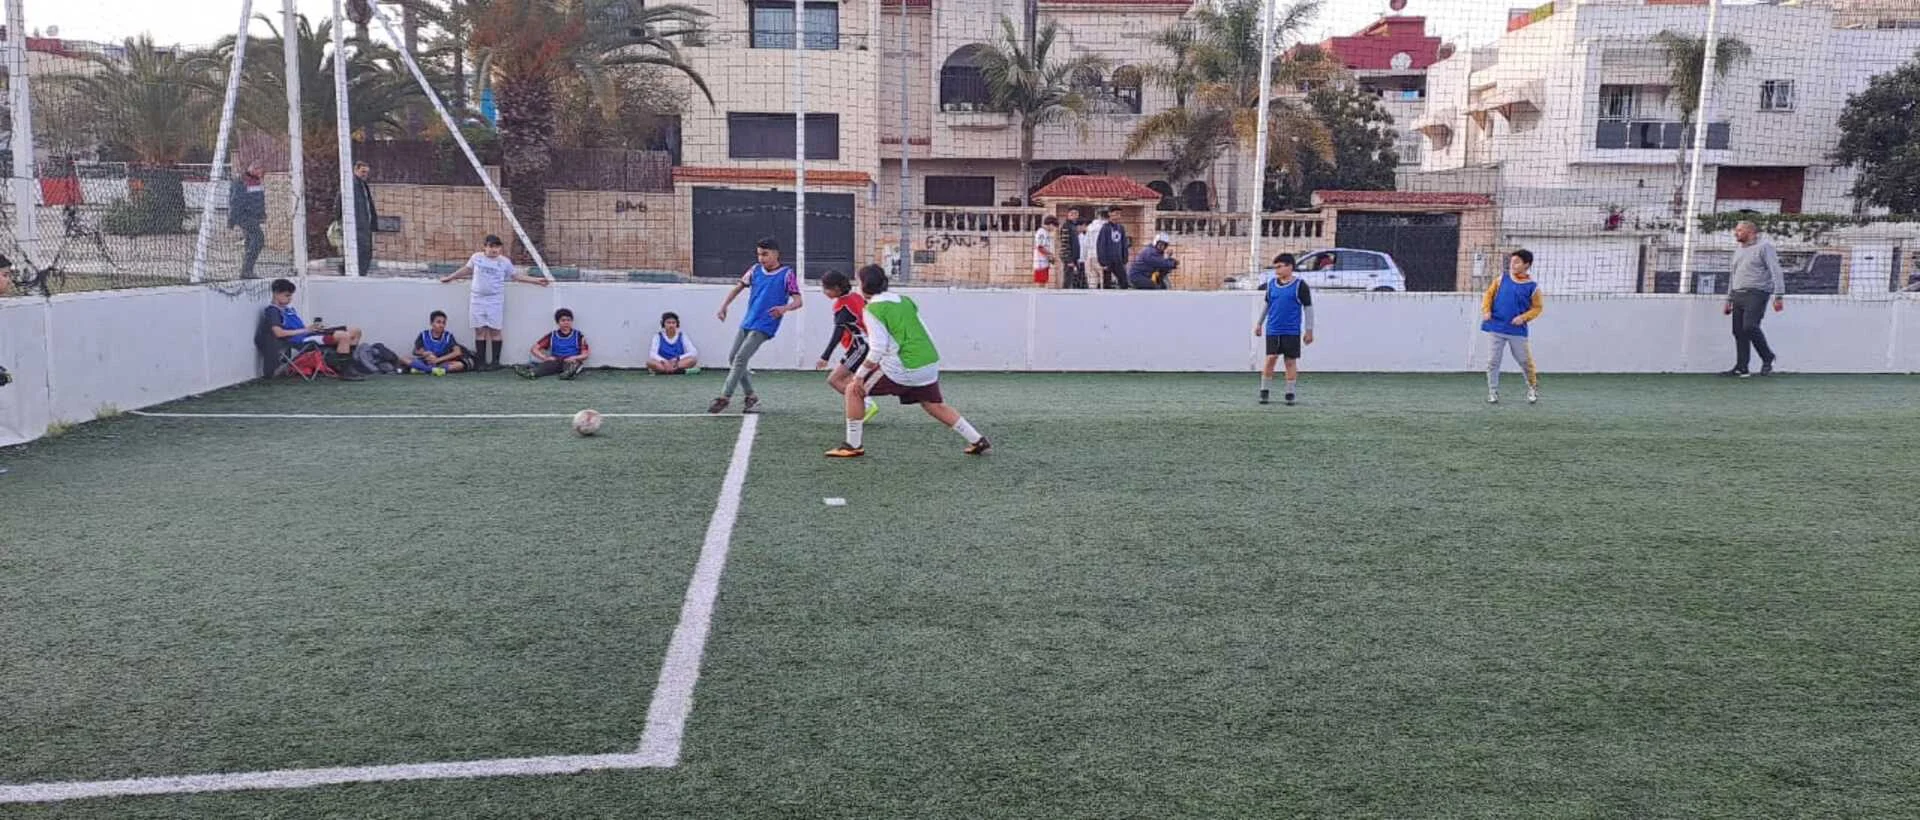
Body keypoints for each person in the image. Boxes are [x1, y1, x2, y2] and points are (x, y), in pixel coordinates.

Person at [827, 265, 990, 458]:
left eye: (859, 281)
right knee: (933, 404)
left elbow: (877, 348)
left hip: (904, 366)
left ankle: (852, 446)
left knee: (853, 390)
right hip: (928, 361)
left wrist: (860, 376)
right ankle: (977, 440)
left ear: (865, 285)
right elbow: (923, 330)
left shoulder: (872, 309)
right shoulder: (904, 300)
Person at [709, 237, 802, 414]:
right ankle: (751, 398)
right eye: (759, 254)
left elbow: (798, 301)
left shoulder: (787, 274)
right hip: (748, 321)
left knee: (741, 358)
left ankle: (724, 397)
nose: (761, 258)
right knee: (733, 358)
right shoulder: (755, 270)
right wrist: (724, 306)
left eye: (765, 254)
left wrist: (784, 308)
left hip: (766, 324)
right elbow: (738, 287)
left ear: (776, 254)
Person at [440, 234, 549, 370]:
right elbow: (467, 269)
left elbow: (515, 276)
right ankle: (481, 363)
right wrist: (450, 277)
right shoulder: (477, 258)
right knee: (480, 330)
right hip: (477, 298)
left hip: (495, 300)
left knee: (495, 330)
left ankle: (495, 363)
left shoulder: (504, 262)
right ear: (485, 247)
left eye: (497, 247)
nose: (494, 250)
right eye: (491, 246)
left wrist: (536, 281)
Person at [264, 277, 365, 380]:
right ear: (276, 293)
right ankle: (345, 372)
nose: (290, 299)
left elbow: (301, 328)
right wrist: (306, 330)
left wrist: (313, 328)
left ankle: (347, 364)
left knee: (356, 331)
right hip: (301, 340)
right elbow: (279, 333)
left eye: (291, 296)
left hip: (308, 334)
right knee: (344, 336)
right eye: (287, 295)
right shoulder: (273, 311)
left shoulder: (288, 309)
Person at [1721, 220, 1787, 378]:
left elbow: (1775, 270)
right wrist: (1729, 299)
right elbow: (1734, 275)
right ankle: (1742, 368)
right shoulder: (1738, 250)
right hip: (1738, 294)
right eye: (1736, 230)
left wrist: (1779, 295)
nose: (1735, 233)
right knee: (1738, 331)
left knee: (1750, 326)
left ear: (1750, 232)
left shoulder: (1765, 248)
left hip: (1756, 293)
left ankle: (1768, 357)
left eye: (1739, 230)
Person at [814, 269, 880, 422]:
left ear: (837, 288)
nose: (824, 292)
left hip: (861, 346)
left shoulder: (842, 307)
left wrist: (825, 356)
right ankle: (861, 406)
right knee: (851, 379)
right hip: (865, 344)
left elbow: (837, 333)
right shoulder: (855, 296)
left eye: (826, 288)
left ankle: (866, 404)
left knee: (834, 380)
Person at [1482, 249, 1544, 404]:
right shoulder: (1501, 279)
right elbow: (1488, 295)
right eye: (1511, 261)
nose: (1512, 264)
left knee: (1524, 360)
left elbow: (1537, 308)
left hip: (1517, 331)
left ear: (1526, 265)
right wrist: (1487, 311)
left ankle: (1532, 387)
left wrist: (1523, 317)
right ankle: (1492, 391)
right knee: (1493, 361)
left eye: (1517, 262)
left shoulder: (1532, 287)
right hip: (1496, 327)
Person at [1254, 253, 1315, 405]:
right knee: (1270, 359)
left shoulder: (1300, 286)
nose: (1277, 271)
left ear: (1290, 267)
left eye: (1280, 267)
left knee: (1290, 362)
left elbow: (1308, 308)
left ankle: (1290, 393)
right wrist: (1259, 323)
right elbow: (1268, 305)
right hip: (1273, 329)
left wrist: (1309, 331)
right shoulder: (1272, 284)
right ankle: (1264, 391)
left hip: (1291, 331)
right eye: (1275, 267)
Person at [517, 308, 590, 380]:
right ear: (558, 322)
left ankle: (569, 373)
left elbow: (585, 354)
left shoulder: (578, 335)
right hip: (556, 361)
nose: (566, 323)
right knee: (544, 366)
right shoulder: (552, 335)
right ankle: (531, 373)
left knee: (573, 366)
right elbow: (534, 349)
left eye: (568, 320)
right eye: (563, 320)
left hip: (571, 361)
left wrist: (574, 358)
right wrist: (545, 358)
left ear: (572, 321)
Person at [228, 162, 267, 279]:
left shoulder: (256, 181)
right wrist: (231, 220)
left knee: (250, 241)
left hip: (254, 216)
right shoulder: (241, 181)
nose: (263, 174)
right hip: (244, 216)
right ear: (254, 169)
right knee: (259, 239)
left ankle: (247, 271)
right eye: (261, 171)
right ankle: (246, 270)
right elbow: (235, 202)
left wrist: (262, 214)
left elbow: (258, 199)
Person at [409, 310, 470, 375]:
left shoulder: (448, 336)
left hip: (442, 362)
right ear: (431, 323)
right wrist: (426, 354)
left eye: (443, 323)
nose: (441, 325)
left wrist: (438, 360)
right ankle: (432, 370)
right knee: (404, 359)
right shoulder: (423, 335)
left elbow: (457, 352)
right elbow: (416, 351)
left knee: (460, 365)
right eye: (438, 322)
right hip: (426, 361)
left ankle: (423, 370)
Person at [352, 160, 379, 276]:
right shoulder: (351, 185)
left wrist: (373, 223)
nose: (365, 175)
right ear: (356, 170)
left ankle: (361, 274)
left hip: (365, 227)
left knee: (366, 253)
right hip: (357, 227)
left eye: (366, 172)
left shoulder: (364, 186)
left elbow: (369, 206)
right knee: (360, 253)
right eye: (363, 171)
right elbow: (338, 203)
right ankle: (357, 275)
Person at [1096, 207, 1132, 289]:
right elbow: (1101, 245)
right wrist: (1102, 262)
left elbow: (1124, 244)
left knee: (1124, 281)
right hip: (1108, 260)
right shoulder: (1105, 228)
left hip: (1118, 260)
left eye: (1119, 214)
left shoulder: (1121, 228)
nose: (1118, 216)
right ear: (1110, 214)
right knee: (1107, 283)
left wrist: (1125, 258)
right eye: (1116, 214)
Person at [1060, 207, 1087, 289]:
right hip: (1069, 257)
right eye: (1072, 214)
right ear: (1068, 215)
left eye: (1076, 214)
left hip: (1075, 257)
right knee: (1068, 279)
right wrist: (1068, 260)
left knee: (1075, 279)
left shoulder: (1073, 226)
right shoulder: (1066, 226)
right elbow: (1065, 243)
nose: (1074, 216)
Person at [1082, 208, 1109, 288]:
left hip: (1091, 256)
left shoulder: (1090, 227)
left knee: (1092, 281)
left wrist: (1084, 257)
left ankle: (1092, 299)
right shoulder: (1108, 227)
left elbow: (1085, 243)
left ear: (1098, 215)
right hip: (1104, 257)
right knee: (1105, 281)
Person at [1033, 215, 1059, 287]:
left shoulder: (1046, 233)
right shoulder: (1041, 233)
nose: (1054, 229)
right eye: (1054, 227)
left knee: (1044, 281)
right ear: (1050, 224)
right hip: (1040, 262)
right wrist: (1050, 255)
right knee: (1041, 282)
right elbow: (1040, 247)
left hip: (1044, 261)